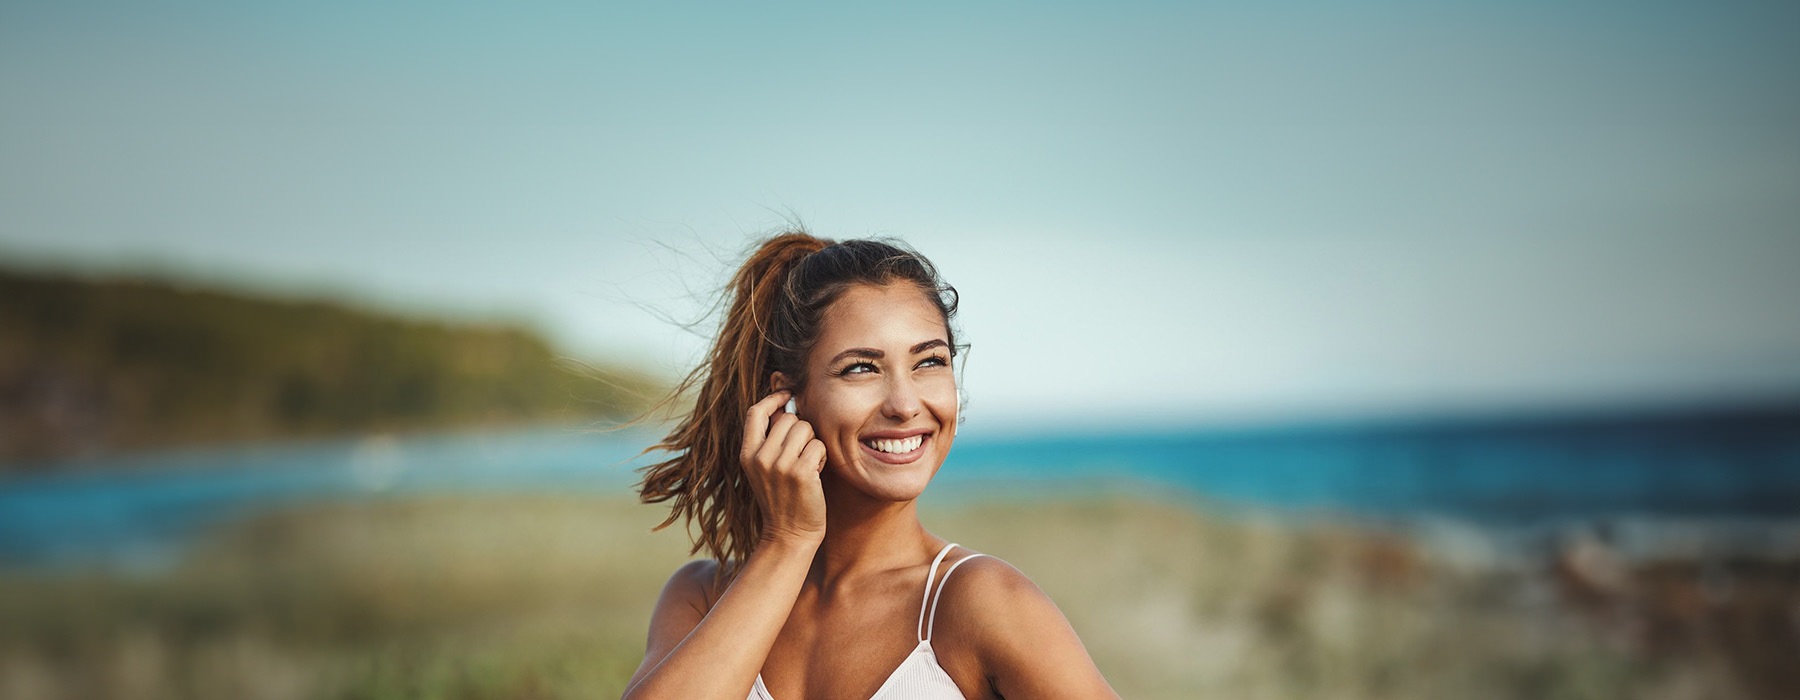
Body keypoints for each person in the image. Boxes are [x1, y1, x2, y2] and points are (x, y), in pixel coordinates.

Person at [623, 231, 1119, 700]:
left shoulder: (981, 602)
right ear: (787, 400)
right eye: (861, 368)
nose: (905, 404)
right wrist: (788, 543)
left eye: (929, 362)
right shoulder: (700, 596)